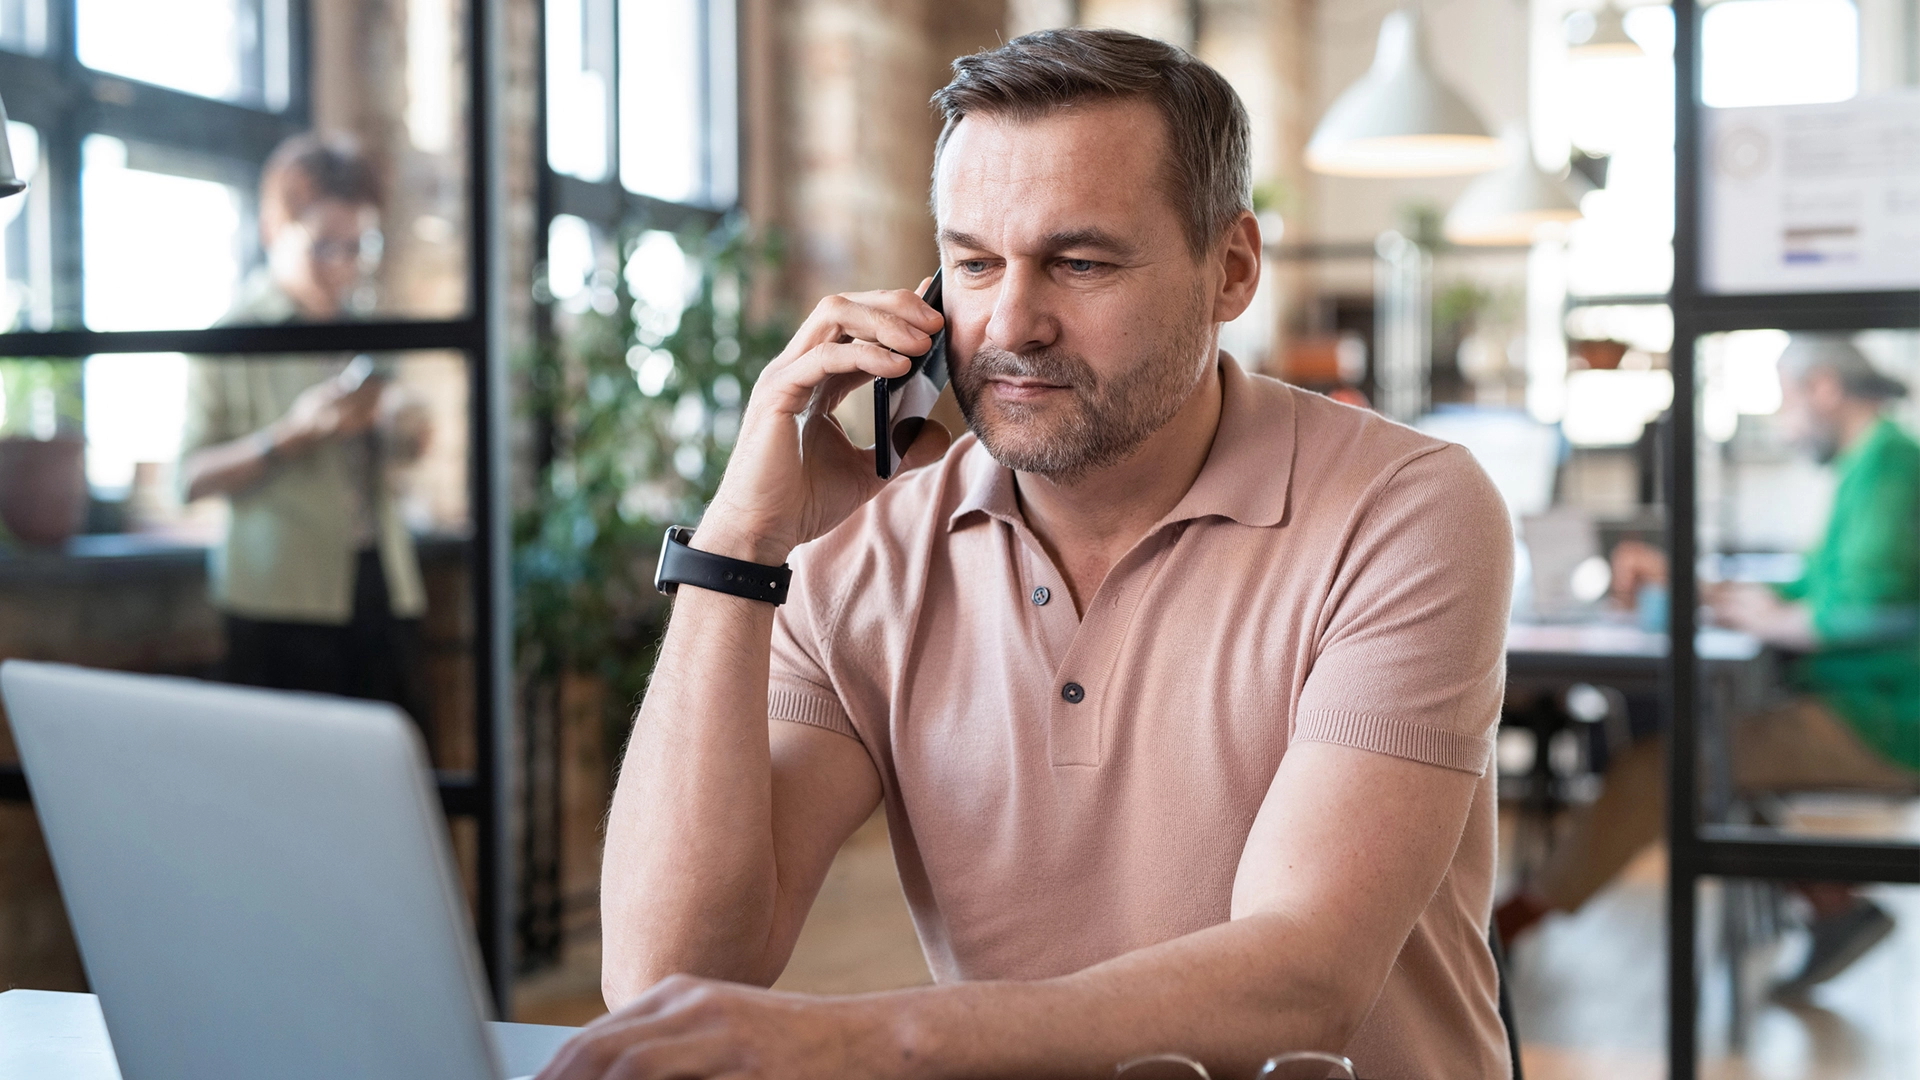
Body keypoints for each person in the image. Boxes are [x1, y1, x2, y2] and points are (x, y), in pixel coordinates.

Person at [546, 30, 1515, 1080]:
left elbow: (1301, 978)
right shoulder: (865, 542)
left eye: (1079, 262)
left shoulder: (1408, 509)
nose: (1010, 322)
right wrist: (738, 547)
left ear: (1229, 269)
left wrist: (862, 1040)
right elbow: (666, 970)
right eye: (973, 263)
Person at [1497, 334, 1920, 997]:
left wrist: (1763, 618)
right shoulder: (1873, 463)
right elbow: (1815, 588)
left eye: (1784, 399)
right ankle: (1836, 906)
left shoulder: (1892, 466)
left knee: (1667, 768)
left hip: (1885, 719)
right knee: (1707, 762)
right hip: (1862, 703)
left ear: (1824, 390)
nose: (1782, 422)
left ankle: (1501, 928)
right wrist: (1700, 590)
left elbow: (1858, 608)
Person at [178, 134, 433, 733]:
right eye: (323, 246)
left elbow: (402, 454)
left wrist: (406, 425)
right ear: (273, 229)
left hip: (381, 584)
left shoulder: (368, 330)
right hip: (277, 595)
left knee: (395, 778)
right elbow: (186, 477)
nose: (342, 265)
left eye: (357, 246)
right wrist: (291, 434)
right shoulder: (231, 335)